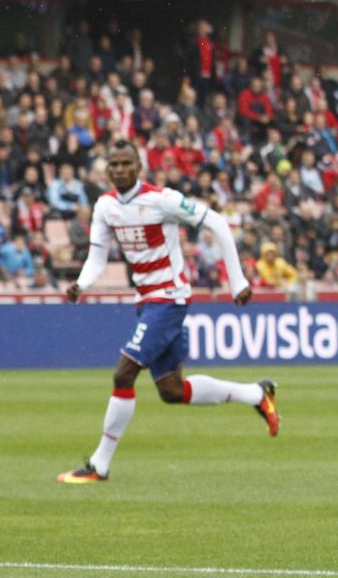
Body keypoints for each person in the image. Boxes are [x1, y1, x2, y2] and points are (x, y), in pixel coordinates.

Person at [58, 140, 279, 484]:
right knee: (172, 391)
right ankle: (255, 393)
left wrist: (237, 281)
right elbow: (97, 256)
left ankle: (100, 465)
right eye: (113, 164)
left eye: (125, 163)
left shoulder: (163, 200)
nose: (118, 169)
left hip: (170, 299)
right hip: (148, 300)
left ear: (139, 167)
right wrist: (81, 284)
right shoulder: (105, 206)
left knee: (123, 374)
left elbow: (218, 222)